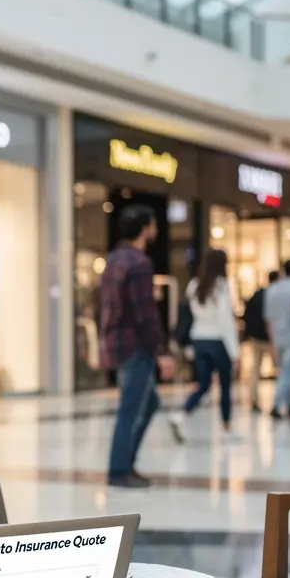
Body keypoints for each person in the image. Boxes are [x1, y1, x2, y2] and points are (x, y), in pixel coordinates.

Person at [99, 204, 175, 489]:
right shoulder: (139, 264)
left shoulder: (114, 260)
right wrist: (161, 351)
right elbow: (145, 313)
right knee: (130, 408)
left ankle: (126, 463)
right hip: (135, 346)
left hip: (117, 343)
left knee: (149, 402)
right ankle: (119, 470)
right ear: (145, 228)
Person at [169, 249, 239, 443]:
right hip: (218, 340)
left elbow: (192, 314)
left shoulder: (194, 285)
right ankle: (226, 428)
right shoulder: (222, 286)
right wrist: (235, 352)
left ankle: (182, 414)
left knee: (204, 384)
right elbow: (225, 321)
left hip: (199, 338)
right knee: (225, 385)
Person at [264, 259, 290, 420]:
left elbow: (268, 319)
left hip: (277, 336)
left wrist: (272, 339)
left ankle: (289, 405)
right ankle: (276, 404)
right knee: (287, 372)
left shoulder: (272, 290)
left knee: (285, 371)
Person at [243, 271, 278, 414]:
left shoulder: (257, 294)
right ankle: (280, 402)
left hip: (256, 337)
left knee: (255, 369)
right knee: (280, 368)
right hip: (269, 338)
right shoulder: (273, 296)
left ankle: (253, 400)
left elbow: (247, 314)